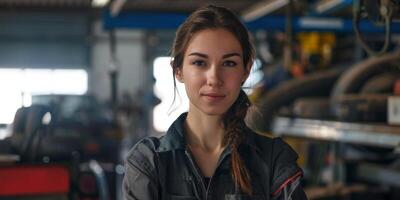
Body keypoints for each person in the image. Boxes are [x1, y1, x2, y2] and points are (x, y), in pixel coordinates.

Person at [123, 5, 307, 200]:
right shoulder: (149, 161)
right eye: (199, 63)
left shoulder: (274, 160)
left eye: (229, 63)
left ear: (246, 70)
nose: (214, 78)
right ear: (178, 70)